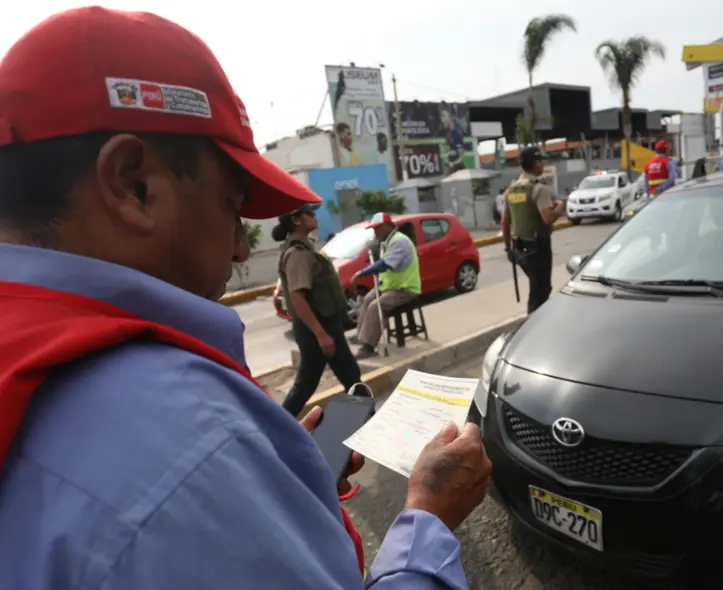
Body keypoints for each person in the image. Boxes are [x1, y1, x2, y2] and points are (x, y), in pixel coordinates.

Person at [0, 7, 491, 589]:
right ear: (134, 186)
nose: (238, 247)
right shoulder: (193, 445)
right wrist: (427, 520)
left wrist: (263, 484)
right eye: (232, 206)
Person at [274, 205, 364, 417]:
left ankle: (361, 422)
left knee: (348, 376)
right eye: (310, 214)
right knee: (309, 384)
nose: (315, 217)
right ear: (297, 220)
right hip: (316, 328)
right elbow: (298, 297)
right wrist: (321, 335)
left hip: (321, 326)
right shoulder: (298, 254)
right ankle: (277, 428)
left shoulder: (305, 250)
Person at [349, 212, 421, 359]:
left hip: (405, 289)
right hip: (391, 287)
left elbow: (385, 264)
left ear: (388, 226)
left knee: (376, 306)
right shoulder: (386, 242)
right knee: (368, 298)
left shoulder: (399, 241)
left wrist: (361, 273)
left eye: (377, 228)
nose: (375, 232)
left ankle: (368, 346)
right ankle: (362, 335)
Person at [502, 146, 564, 313]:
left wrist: (508, 248)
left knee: (538, 288)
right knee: (540, 294)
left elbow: (505, 221)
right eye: (541, 161)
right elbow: (548, 217)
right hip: (538, 249)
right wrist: (560, 207)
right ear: (535, 163)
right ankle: (534, 329)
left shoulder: (512, 189)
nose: (543, 165)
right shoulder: (539, 188)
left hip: (519, 250)